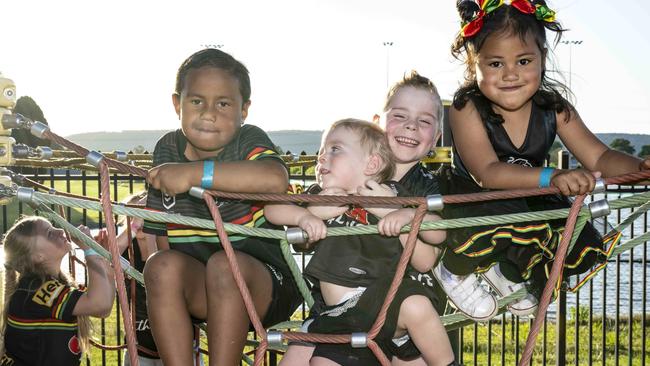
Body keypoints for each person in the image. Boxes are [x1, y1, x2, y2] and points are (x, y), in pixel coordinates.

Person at [441, 0, 650, 317]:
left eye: (524, 61)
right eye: (495, 64)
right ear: (474, 64)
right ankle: (454, 269)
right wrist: (550, 177)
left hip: (524, 201)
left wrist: (639, 169)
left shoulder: (554, 108)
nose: (511, 74)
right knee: (517, 218)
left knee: (570, 231)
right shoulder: (465, 106)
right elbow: (487, 172)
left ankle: (507, 273)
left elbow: (600, 156)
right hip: (475, 202)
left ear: (542, 58)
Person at [142, 48, 302, 366]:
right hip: (204, 287)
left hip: (266, 286)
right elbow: (160, 235)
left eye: (224, 103)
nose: (209, 113)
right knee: (159, 266)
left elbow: (274, 178)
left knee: (224, 264)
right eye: (197, 101)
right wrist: (169, 293)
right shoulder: (167, 149)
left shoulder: (246, 141)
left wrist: (196, 174)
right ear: (178, 104)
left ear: (244, 110)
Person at [266, 119, 455, 366]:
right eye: (322, 151)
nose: (321, 158)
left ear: (372, 164)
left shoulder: (391, 195)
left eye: (334, 149)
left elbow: (438, 236)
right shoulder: (321, 197)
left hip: (385, 307)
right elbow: (272, 208)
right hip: (335, 315)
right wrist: (306, 215)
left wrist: (403, 214)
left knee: (416, 305)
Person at [377, 71, 498, 323]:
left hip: (414, 304)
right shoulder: (353, 175)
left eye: (424, 121)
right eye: (400, 116)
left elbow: (426, 260)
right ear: (377, 122)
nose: (411, 125)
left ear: (435, 139)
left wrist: (393, 212)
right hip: (351, 295)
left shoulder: (434, 190)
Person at [0, 216, 115, 366]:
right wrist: (89, 250)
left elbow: (104, 308)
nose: (60, 230)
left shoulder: (49, 285)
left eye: (53, 227)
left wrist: (101, 260)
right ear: (37, 256)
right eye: (49, 233)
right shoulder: (36, 291)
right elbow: (100, 305)